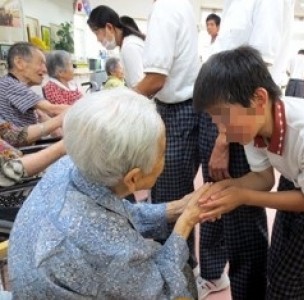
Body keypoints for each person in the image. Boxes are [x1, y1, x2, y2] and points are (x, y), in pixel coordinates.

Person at [193, 46, 304, 299]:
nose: (220, 127)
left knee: (289, 284)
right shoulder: (251, 125)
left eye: (223, 117)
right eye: (213, 118)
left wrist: (242, 196)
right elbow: (263, 179)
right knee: (277, 269)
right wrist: (226, 189)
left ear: (259, 98)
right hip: (298, 179)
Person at [9, 88, 211, 299]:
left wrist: (177, 208)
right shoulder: (108, 249)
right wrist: (186, 222)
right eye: (162, 152)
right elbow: (162, 288)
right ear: (133, 178)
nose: (165, 156)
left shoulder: (70, 167)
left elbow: (115, 215)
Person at [196, 1, 295, 299]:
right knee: (216, 202)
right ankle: (213, 274)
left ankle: (247, 291)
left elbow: (253, 76)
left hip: (237, 116)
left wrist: (223, 138)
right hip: (226, 113)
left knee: (243, 222)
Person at [134, 0, 200, 266]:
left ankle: (178, 270)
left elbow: (155, 80)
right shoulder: (180, 6)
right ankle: (177, 266)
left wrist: (115, 106)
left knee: (170, 199)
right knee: (168, 195)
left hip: (177, 110)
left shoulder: (167, 7)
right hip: (178, 109)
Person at [0, 42, 69, 127]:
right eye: (40, 63)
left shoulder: (9, 84)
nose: (45, 70)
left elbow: (43, 116)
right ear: (19, 63)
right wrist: (85, 110)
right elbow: (53, 109)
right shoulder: (11, 85)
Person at [0, 114, 65, 188]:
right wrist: (64, 146)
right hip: (18, 189)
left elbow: (14, 135)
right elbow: (9, 172)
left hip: (26, 171)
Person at [88, 5, 145, 88]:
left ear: (109, 27)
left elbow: (140, 88)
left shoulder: (129, 47)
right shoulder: (126, 44)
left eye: (97, 33)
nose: (98, 39)